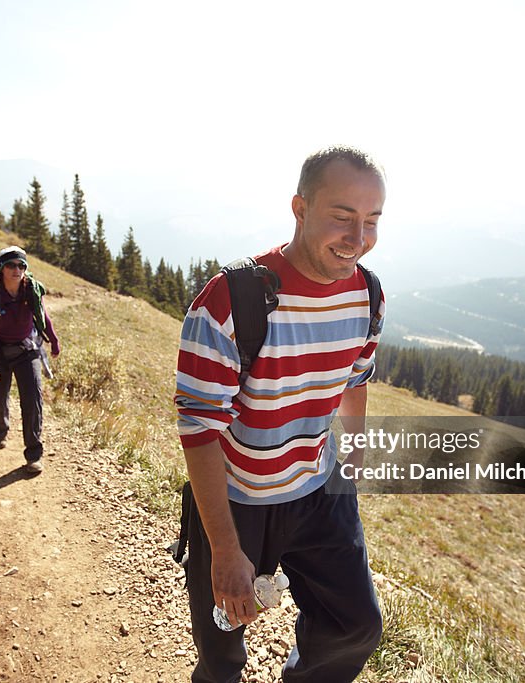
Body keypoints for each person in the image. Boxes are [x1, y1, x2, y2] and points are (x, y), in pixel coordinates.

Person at [174, 146, 386, 682]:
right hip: (238, 499)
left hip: (320, 491)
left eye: (372, 221)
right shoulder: (231, 299)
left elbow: (355, 379)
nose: (358, 237)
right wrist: (225, 549)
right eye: (342, 216)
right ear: (300, 207)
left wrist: (356, 452)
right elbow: (199, 431)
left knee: (355, 625)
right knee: (222, 652)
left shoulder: (369, 295)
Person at [0, 246, 60, 474]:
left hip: (25, 351)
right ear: (1, 269)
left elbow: (43, 315)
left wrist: (54, 339)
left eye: (21, 265)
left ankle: (33, 454)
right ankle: (0, 431)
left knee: (33, 400)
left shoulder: (32, 290)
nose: (17, 270)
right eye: (11, 265)